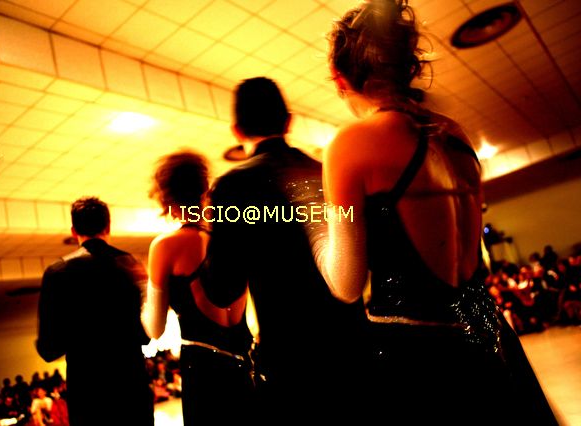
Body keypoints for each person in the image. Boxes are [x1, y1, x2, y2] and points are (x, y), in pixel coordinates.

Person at [315, 0, 558, 423]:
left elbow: (347, 283)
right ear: (406, 63)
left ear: (339, 78)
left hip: (416, 354)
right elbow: (475, 257)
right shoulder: (456, 134)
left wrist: (319, 235)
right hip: (485, 332)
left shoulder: (350, 144)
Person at [200, 77, 368, 424]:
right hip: (352, 348)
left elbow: (223, 289)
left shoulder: (232, 186)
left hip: (291, 360)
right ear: (288, 121)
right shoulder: (323, 171)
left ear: (236, 131)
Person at [141, 151, 254, 426]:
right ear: (204, 190)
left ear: (166, 198)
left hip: (203, 369)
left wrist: (144, 296)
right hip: (244, 363)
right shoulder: (233, 238)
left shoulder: (165, 246)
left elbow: (154, 328)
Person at [36, 196, 154, 425]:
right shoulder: (129, 264)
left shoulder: (57, 272)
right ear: (108, 227)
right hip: (131, 387)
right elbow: (144, 335)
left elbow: (49, 349)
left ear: (73, 231)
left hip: (88, 394)